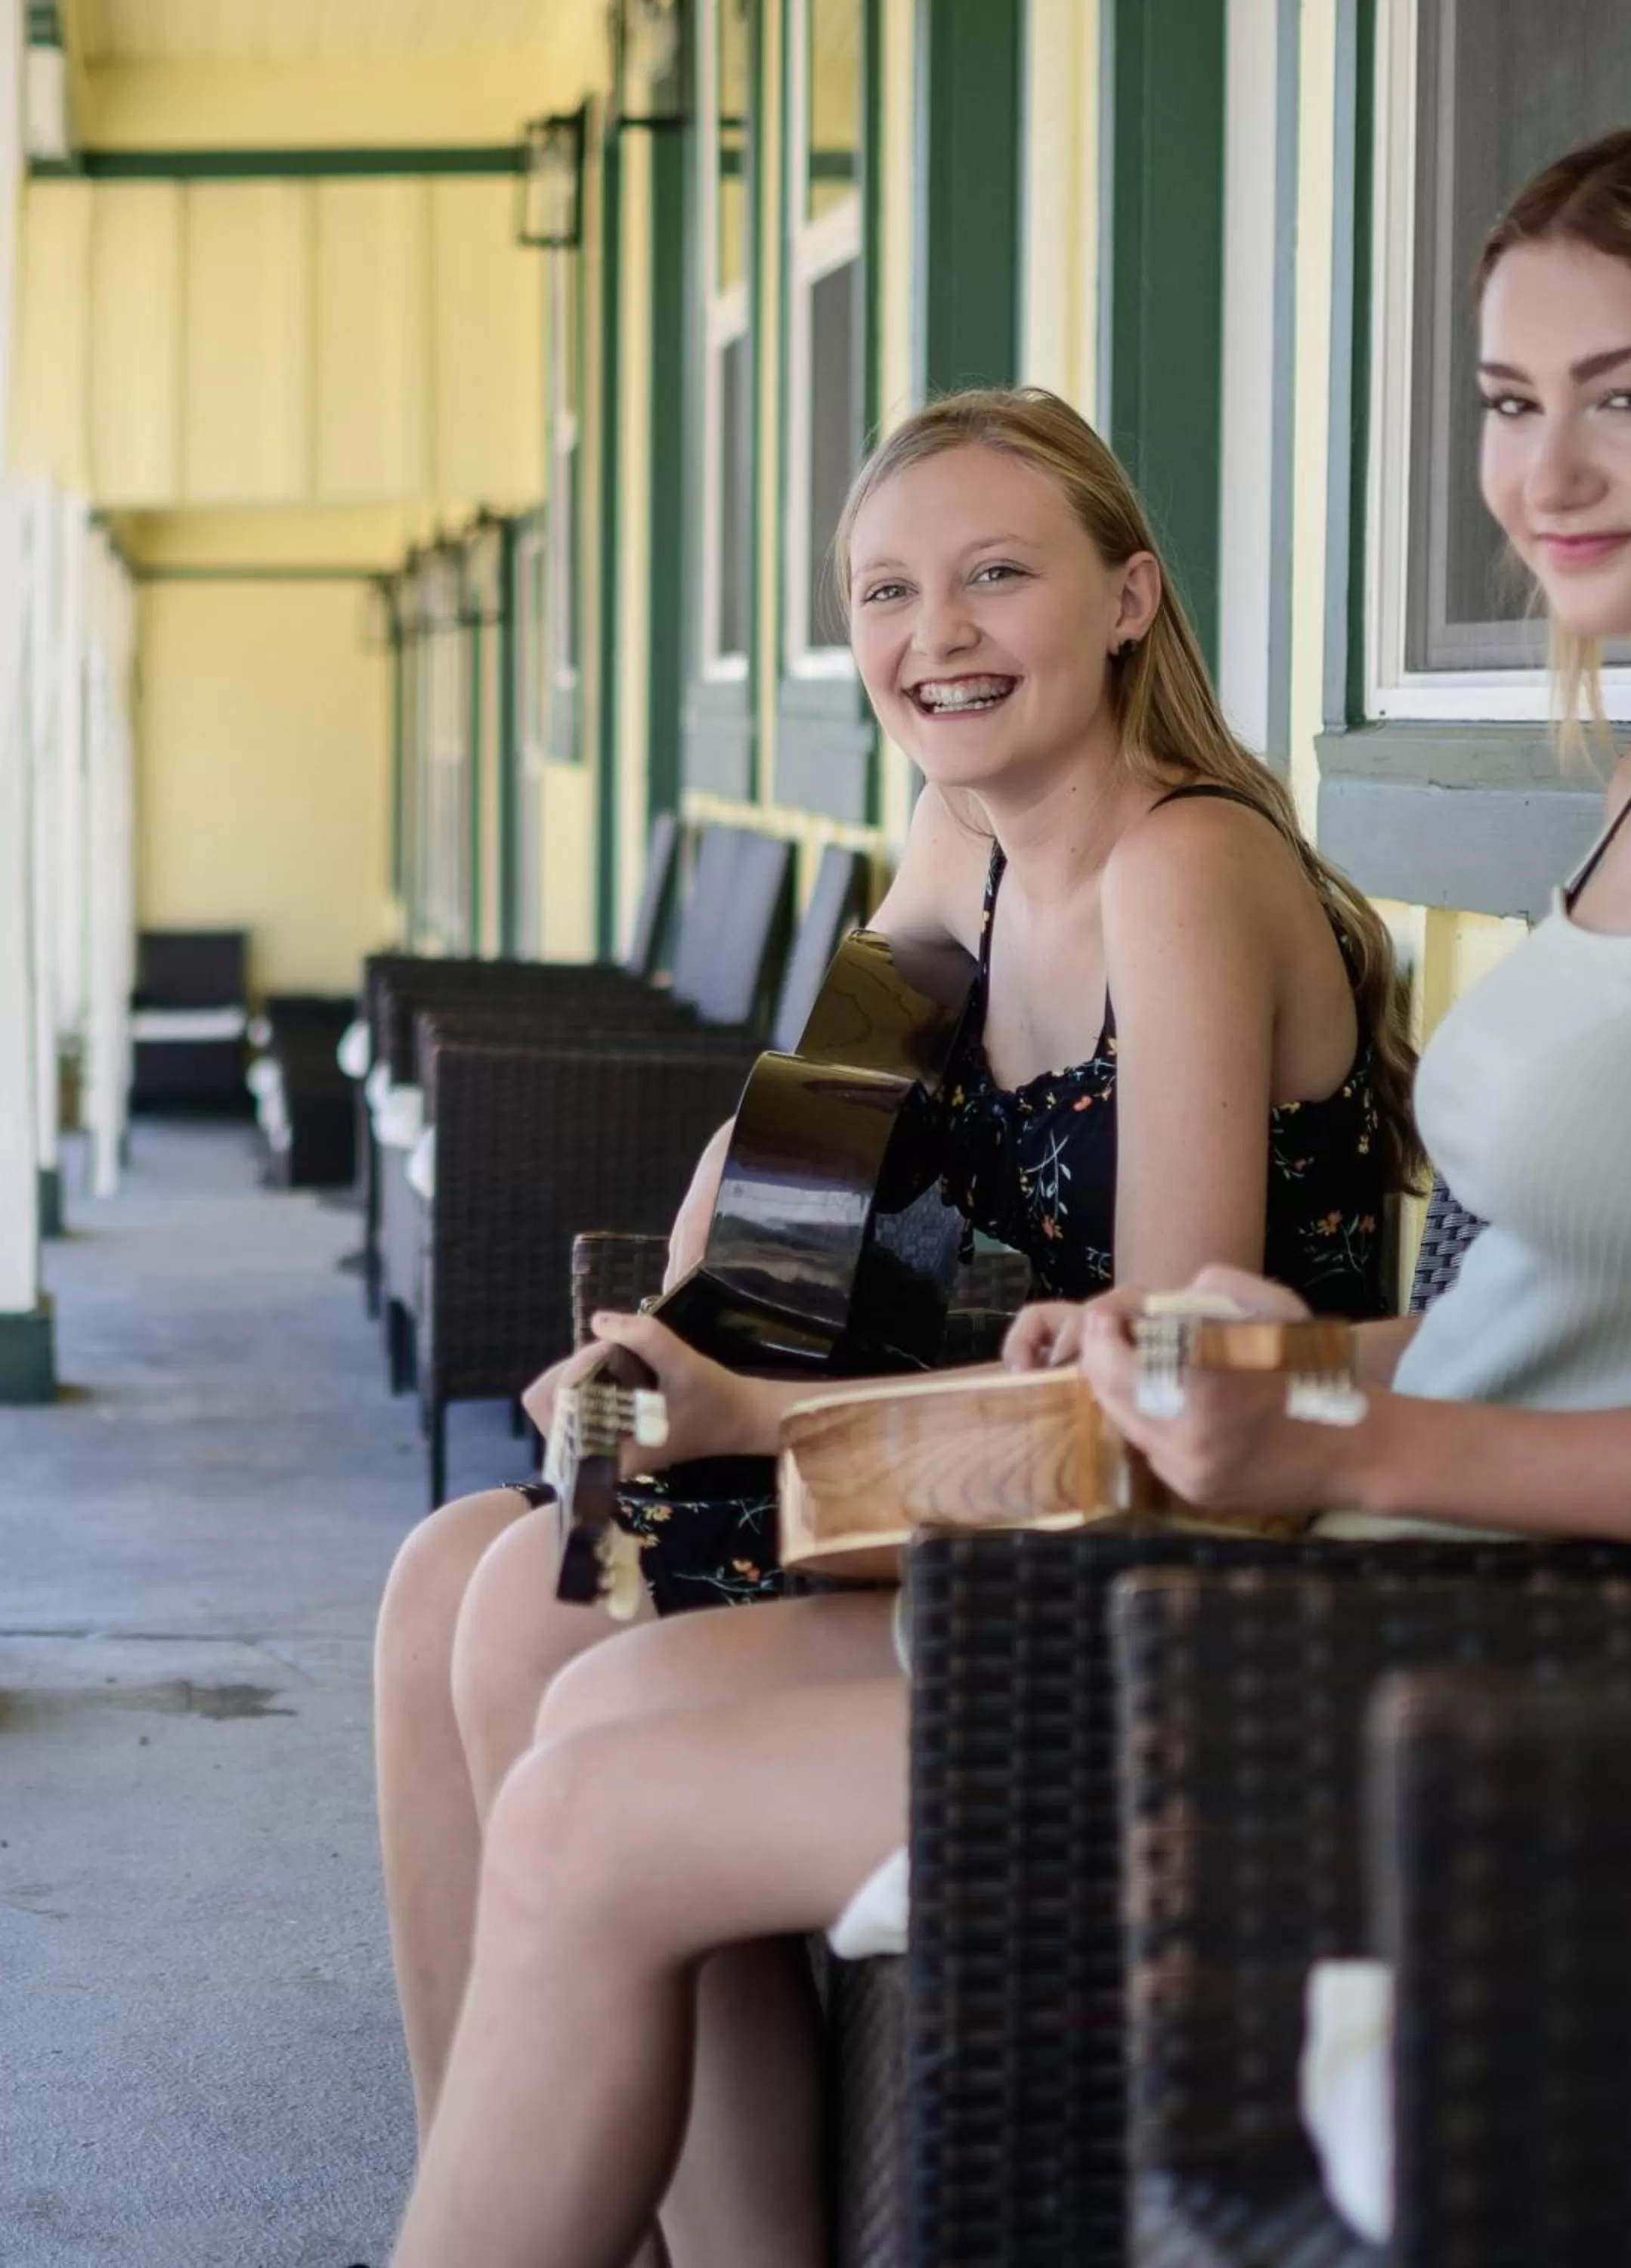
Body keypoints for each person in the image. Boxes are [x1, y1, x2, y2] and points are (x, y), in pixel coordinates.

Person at [387, 120, 1631, 2268]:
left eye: (1628, 397)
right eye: (1510, 406)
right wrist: (1261, 1357)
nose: (1548, 471)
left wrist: (1325, 1423)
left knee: (585, 1744)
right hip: (1362, 1567)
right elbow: (1502, 1310)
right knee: (547, 1651)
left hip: (1519, 1671)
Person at [376, 385, 1412, 2267]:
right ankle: (518, 2197)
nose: (932, 638)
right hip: (1010, 1498)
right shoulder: (968, 845)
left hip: (1185, 1550)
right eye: (885, 593)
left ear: (1128, 600)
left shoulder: (1187, 870)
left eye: (994, 577)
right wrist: (662, 1342)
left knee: (538, 1612)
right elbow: (790, 1149)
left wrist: (745, 1419)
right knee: (450, 1574)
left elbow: (1160, 1400)